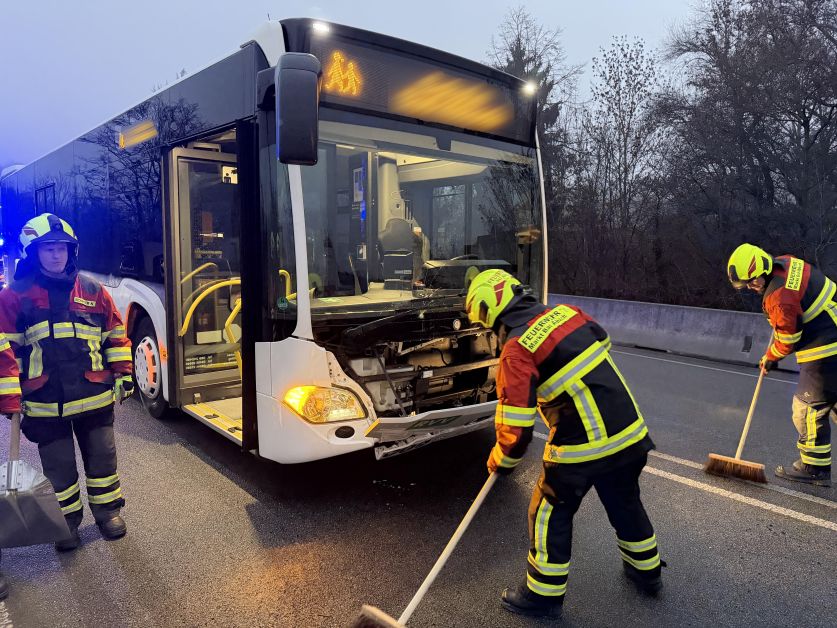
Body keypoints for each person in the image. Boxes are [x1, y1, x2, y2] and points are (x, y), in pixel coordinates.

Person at [465, 269, 662, 619]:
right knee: (625, 502)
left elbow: (516, 431)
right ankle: (647, 573)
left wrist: (499, 461)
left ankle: (542, 596)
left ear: (490, 314)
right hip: (630, 433)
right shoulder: (568, 313)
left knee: (548, 511)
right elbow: (602, 341)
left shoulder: (516, 349)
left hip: (582, 445)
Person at [0, 213, 134, 553]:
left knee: (103, 461)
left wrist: (123, 373)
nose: (56, 254)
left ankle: (108, 514)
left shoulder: (92, 290)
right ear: (33, 253)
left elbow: (115, 334)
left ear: (71, 251)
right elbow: (6, 352)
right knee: (59, 470)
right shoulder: (14, 297)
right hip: (45, 402)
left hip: (94, 397)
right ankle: (66, 524)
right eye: (48, 249)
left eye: (62, 248)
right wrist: (10, 398)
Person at [727, 243, 834, 486]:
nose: (751, 287)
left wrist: (770, 357)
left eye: (752, 282)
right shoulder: (787, 262)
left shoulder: (779, 297)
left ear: (762, 270)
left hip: (826, 346)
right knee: (833, 400)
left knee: (808, 406)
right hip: (831, 327)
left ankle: (814, 468)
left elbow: (788, 340)